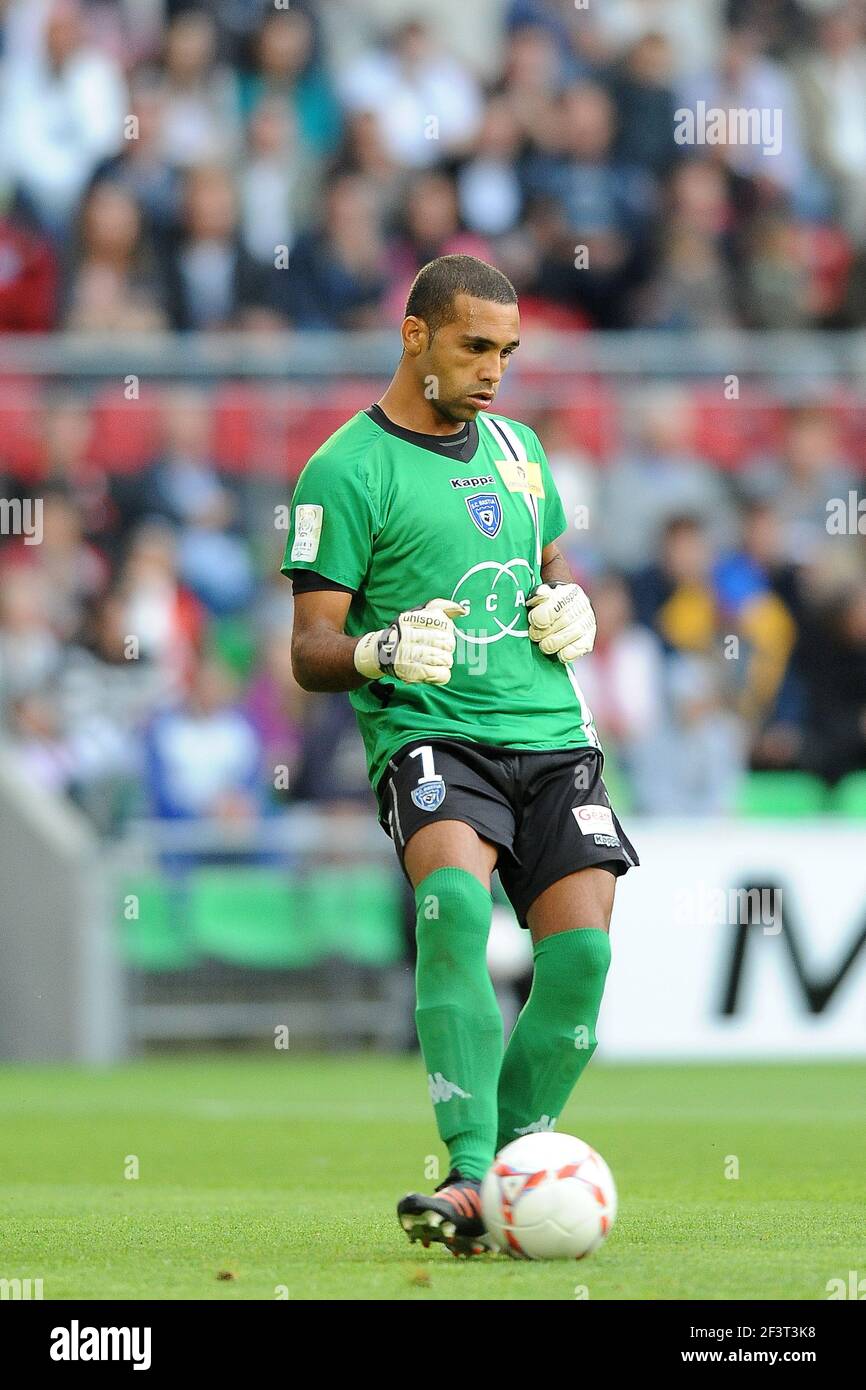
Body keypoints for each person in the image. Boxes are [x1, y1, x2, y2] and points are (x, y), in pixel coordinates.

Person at [282, 254, 638, 1255]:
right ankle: (473, 1169)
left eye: (507, 352)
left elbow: (551, 573)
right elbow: (310, 646)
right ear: (414, 337)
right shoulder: (343, 468)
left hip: (551, 735)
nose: (493, 370)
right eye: (474, 347)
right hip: (431, 733)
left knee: (580, 956)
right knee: (448, 906)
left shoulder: (522, 450)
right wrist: (378, 647)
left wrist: (575, 607)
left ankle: (516, 1167)